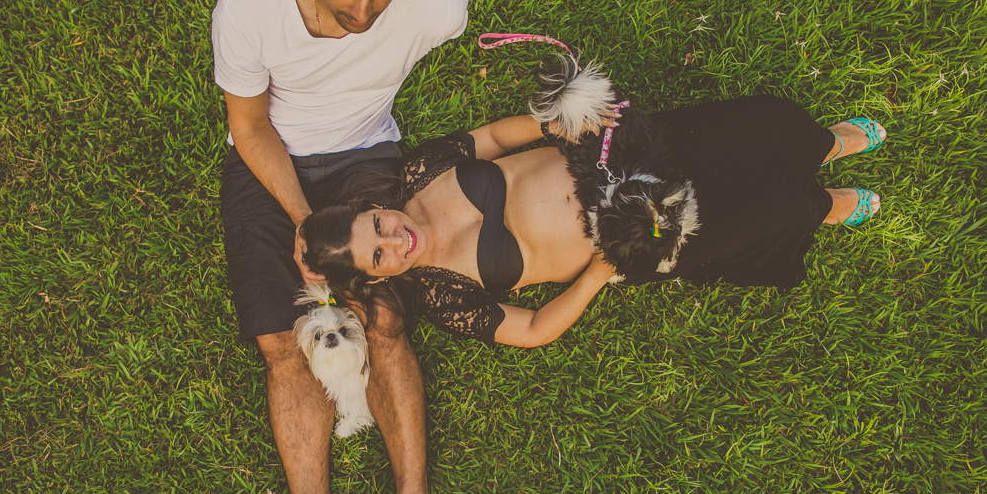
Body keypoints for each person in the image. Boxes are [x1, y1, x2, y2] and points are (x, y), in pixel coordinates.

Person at [211, 0, 467, 494]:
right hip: (269, 163)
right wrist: (301, 218)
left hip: (365, 156)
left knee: (384, 318)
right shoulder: (247, 9)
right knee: (276, 341)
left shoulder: (435, 4)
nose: (363, 12)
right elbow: (250, 126)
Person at [300, 95, 886, 347]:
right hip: (639, 232)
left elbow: (496, 137)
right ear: (377, 277)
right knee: (774, 214)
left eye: (376, 223)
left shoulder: (422, 171)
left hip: (628, 155)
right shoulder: (442, 295)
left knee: (767, 125)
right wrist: (597, 274)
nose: (394, 237)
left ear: (372, 208)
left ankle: (823, 145)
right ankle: (823, 206)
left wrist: (558, 123)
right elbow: (531, 330)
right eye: (378, 254)